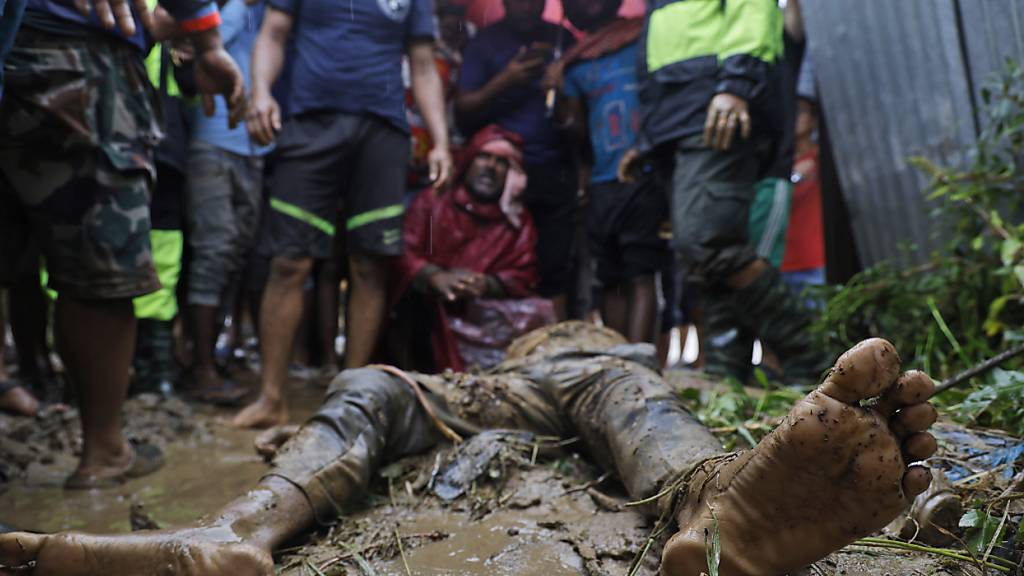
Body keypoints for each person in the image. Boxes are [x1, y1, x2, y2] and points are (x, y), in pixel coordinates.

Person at [0, 322, 939, 576]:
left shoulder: (590, 324)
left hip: (586, 369)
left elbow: (637, 380)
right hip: (486, 384)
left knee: (628, 389)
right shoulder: (495, 300)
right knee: (369, 381)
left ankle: (716, 505)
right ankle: (233, 530)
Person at [0, 0, 246, 487]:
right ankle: (106, 450)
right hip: (72, 55)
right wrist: (208, 43)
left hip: (32, 44)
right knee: (100, 261)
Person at [237, 0, 453, 428]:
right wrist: (260, 92)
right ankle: (271, 398)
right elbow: (273, 33)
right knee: (289, 261)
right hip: (310, 123)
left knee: (370, 263)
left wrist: (441, 139)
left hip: (384, 130)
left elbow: (423, 65)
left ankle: (348, 401)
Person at [620, 0, 827, 384]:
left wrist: (736, 85)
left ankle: (813, 358)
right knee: (703, 259)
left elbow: (753, 13)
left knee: (708, 243)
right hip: (679, 126)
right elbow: (654, 64)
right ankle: (726, 377)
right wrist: (649, 139)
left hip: (719, 113)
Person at [393, 125, 551, 372]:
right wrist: (434, 277)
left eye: (501, 162)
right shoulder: (434, 201)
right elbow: (405, 250)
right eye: (484, 157)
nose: (491, 166)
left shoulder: (517, 220)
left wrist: (486, 284)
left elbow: (525, 274)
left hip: (481, 311)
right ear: (469, 160)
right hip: (428, 310)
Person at [551, 0, 664, 344]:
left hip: (642, 172)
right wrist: (557, 96)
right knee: (610, 277)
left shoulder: (644, 37)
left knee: (640, 272)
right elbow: (575, 131)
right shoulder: (572, 64)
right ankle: (619, 366)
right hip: (602, 182)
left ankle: (641, 363)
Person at [455, 0, 577, 319]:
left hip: (554, 170)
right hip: (497, 173)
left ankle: (554, 348)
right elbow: (463, 111)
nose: (526, 7)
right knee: (493, 263)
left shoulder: (563, 41)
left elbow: (581, 121)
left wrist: (560, 91)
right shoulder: (486, 42)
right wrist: (506, 80)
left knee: (553, 266)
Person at [184, 0, 273, 404]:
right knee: (214, 252)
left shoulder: (270, 16)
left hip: (251, 151)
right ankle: (200, 368)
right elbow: (199, 50)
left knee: (235, 255)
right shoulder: (234, 9)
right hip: (214, 144)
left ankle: (214, 359)